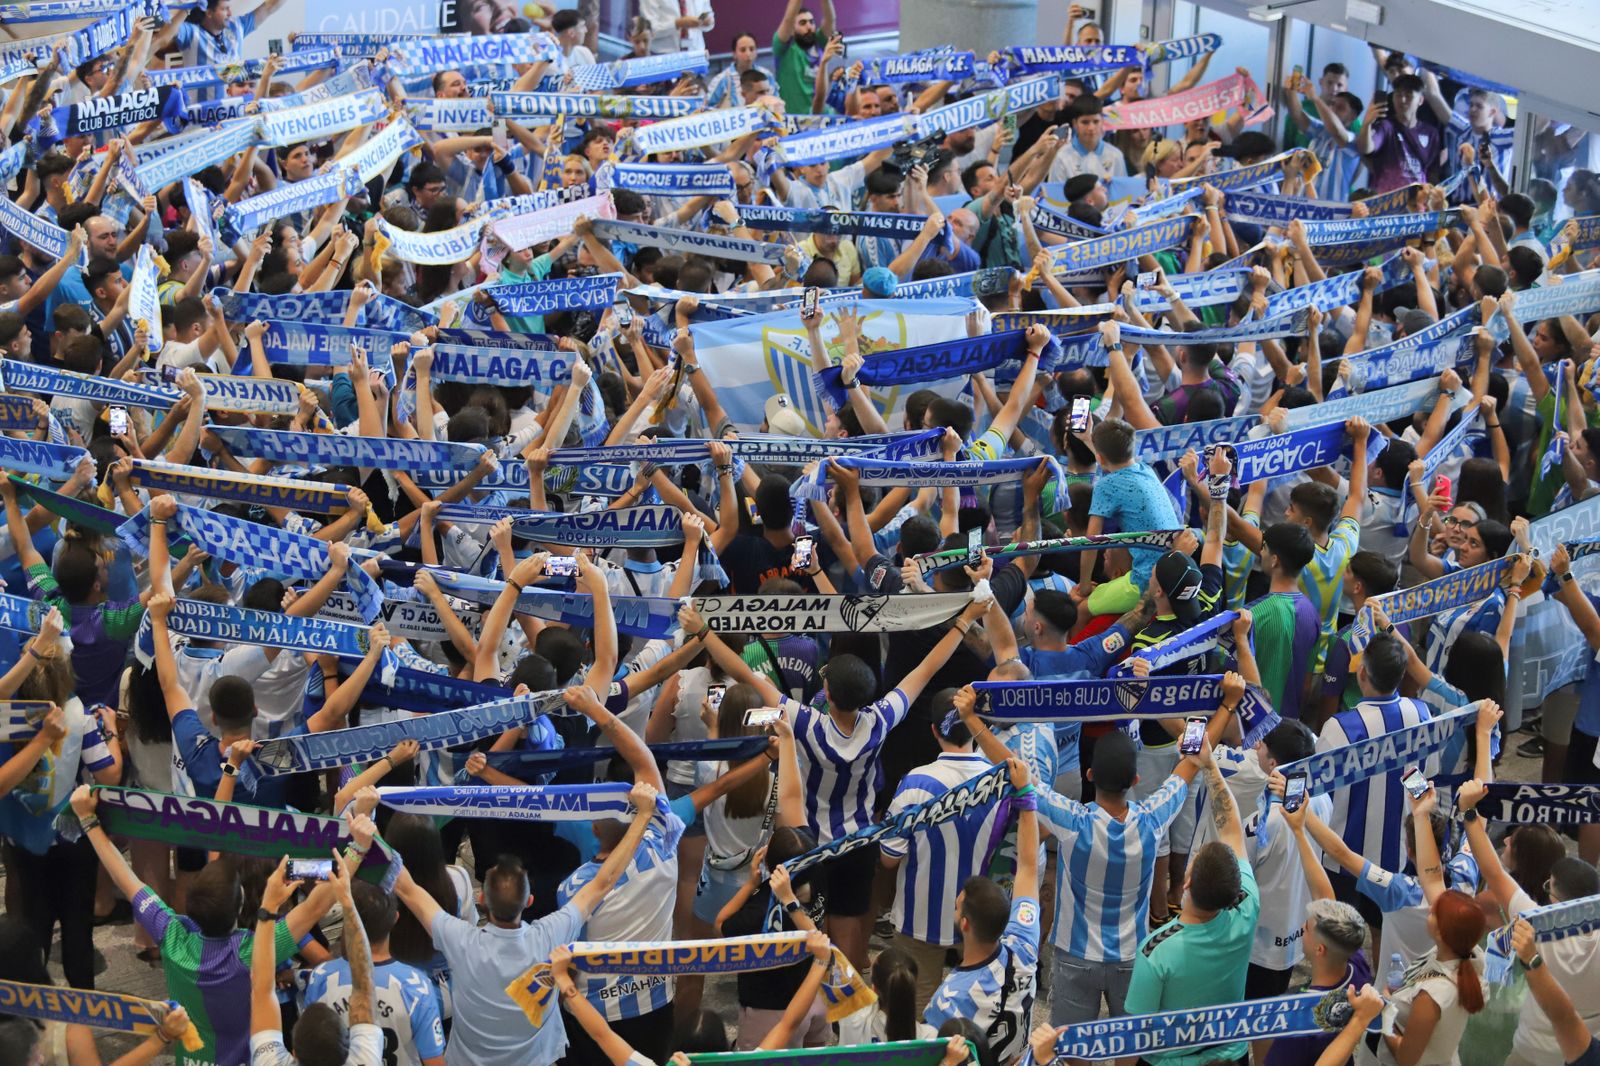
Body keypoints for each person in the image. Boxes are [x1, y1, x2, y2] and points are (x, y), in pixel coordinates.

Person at [393, 780, 660, 1066]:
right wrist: (643, 816)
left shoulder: (459, 940)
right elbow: (603, 881)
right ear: (529, 901)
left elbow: (407, 888)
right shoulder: (552, 933)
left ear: (482, 899)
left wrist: (364, 828)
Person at [69, 786, 336, 1066]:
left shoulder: (171, 933)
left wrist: (89, 822)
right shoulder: (251, 951)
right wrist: (355, 851)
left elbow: (123, 876)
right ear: (241, 902)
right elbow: (317, 904)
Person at [1125, 675, 1262, 1066]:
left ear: (1185, 882)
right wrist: (1208, 766)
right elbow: (1233, 827)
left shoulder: (1156, 949)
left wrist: (1205, 765)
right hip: (1232, 1054)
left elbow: (1136, 1033)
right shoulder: (1247, 910)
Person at [923, 757, 1041, 1063]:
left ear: (965, 924)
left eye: (957, 902)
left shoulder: (948, 1000)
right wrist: (1026, 797)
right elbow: (1027, 867)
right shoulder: (1024, 947)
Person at [249, 852, 384, 1066]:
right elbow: (364, 987)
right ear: (348, 1047)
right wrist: (348, 903)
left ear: (294, 1052)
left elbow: (262, 990)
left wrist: (268, 906)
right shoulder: (365, 1060)